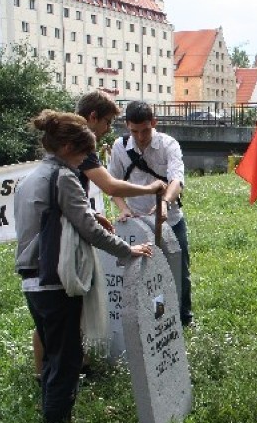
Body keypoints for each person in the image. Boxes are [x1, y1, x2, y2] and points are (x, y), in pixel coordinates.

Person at [14, 110, 153, 423]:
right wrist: (126, 249)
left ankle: (52, 411)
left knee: (53, 351)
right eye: (82, 154)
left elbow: (51, 215)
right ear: (66, 149)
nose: (84, 163)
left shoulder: (31, 178)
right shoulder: (63, 176)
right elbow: (89, 229)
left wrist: (87, 212)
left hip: (31, 279)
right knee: (67, 357)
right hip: (56, 280)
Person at [31, 92, 166, 381]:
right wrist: (149, 188)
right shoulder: (79, 145)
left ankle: (59, 366)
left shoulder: (62, 137)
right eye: (107, 122)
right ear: (93, 117)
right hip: (61, 235)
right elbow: (111, 187)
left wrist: (89, 214)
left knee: (55, 306)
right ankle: (50, 371)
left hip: (61, 224)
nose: (107, 129)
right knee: (59, 304)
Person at [108, 101, 192, 326]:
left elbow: (177, 180)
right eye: (134, 131)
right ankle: (149, 318)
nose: (141, 136)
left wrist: (165, 202)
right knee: (140, 271)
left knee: (179, 269)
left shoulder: (168, 144)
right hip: (137, 221)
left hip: (170, 219)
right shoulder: (120, 146)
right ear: (127, 126)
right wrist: (123, 209)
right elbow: (112, 184)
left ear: (153, 123)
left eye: (145, 130)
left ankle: (183, 318)